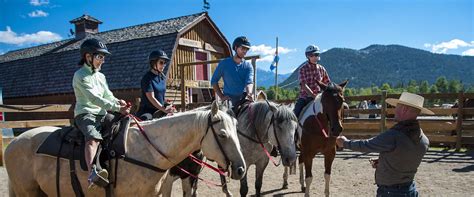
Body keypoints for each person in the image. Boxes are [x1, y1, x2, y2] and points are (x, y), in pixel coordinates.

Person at [336, 92, 433, 196]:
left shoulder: (394, 135)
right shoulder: (424, 140)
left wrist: (345, 143)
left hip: (390, 192)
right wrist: (385, 161)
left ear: (404, 109)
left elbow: (367, 145)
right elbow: (404, 157)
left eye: (397, 107)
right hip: (410, 189)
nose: (395, 110)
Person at [73, 38, 131, 188]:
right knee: (92, 139)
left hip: (102, 113)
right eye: (100, 56)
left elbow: (107, 95)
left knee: (123, 126)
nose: (103, 60)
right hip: (85, 113)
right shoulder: (80, 76)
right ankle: (92, 173)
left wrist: (118, 101)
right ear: (88, 57)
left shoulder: (101, 76)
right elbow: (94, 98)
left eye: (103, 57)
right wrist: (117, 108)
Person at [211, 36, 254, 108]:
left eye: (247, 49)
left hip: (243, 99)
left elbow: (249, 82)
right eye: (243, 48)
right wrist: (221, 96)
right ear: (236, 47)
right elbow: (214, 81)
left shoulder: (248, 66)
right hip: (228, 100)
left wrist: (249, 93)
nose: (245, 51)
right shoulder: (224, 64)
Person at [293, 44, 331, 118]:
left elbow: (327, 84)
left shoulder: (322, 69)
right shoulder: (302, 69)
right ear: (307, 56)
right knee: (295, 115)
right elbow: (303, 85)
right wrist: (313, 95)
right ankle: (294, 129)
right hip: (305, 97)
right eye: (311, 55)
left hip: (320, 97)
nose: (314, 57)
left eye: (316, 54)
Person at [136, 50, 174, 120]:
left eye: (165, 63)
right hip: (148, 112)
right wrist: (163, 109)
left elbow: (159, 95)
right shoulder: (147, 78)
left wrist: (165, 102)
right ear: (153, 63)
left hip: (159, 110)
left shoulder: (162, 77)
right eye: (161, 62)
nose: (164, 65)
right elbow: (152, 98)